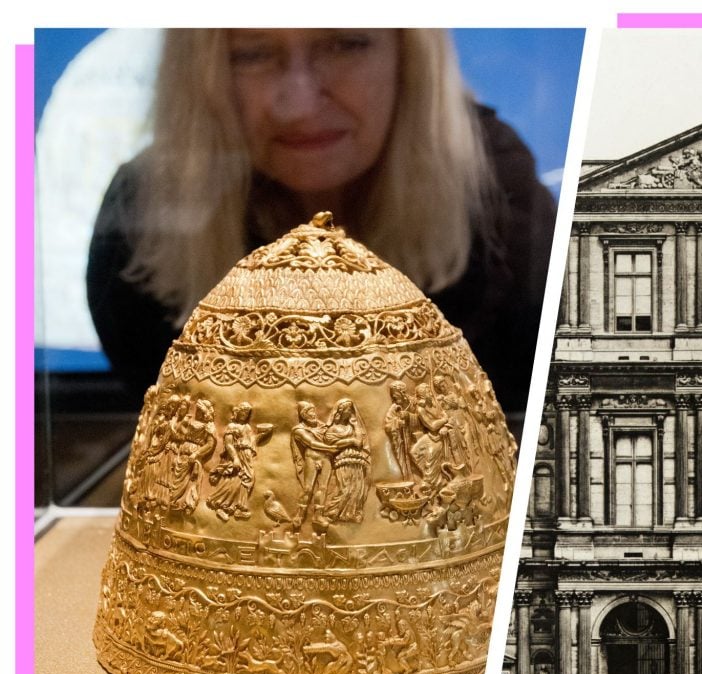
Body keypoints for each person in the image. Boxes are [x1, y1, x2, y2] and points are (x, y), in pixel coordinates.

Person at [87, 29, 556, 417]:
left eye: (345, 44)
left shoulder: (504, 205)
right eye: (251, 54)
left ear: (409, 55)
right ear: (200, 74)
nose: (299, 104)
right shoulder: (142, 221)